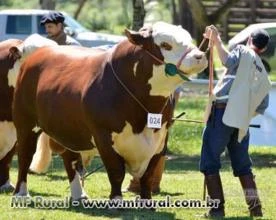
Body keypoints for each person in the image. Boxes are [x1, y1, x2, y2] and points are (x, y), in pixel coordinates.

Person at [200, 25, 271, 217]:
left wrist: (217, 41)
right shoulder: (263, 73)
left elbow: (226, 60)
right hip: (241, 120)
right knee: (243, 166)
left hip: (222, 113)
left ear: (249, 40)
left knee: (209, 161)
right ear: (263, 49)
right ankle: (255, 208)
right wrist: (243, 112)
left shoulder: (242, 50)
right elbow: (262, 105)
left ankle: (217, 210)